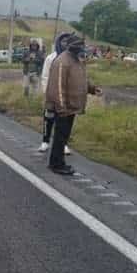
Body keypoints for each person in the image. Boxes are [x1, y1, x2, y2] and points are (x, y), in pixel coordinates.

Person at [44, 36, 102, 175]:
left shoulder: (77, 60)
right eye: (80, 47)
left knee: (64, 136)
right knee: (60, 135)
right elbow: (57, 87)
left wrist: (92, 89)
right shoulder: (62, 61)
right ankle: (56, 164)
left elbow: (81, 80)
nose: (82, 50)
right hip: (64, 107)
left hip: (72, 106)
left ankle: (59, 162)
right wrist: (61, 107)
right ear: (73, 47)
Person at [39, 33, 74, 153]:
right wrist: (47, 93)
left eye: (68, 41)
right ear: (59, 42)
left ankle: (63, 144)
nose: (65, 44)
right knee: (49, 118)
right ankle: (45, 141)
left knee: (66, 121)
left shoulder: (73, 58)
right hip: (52, 95)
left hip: (68, 96)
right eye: (63, 41)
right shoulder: (51, 58)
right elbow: (45, 77)